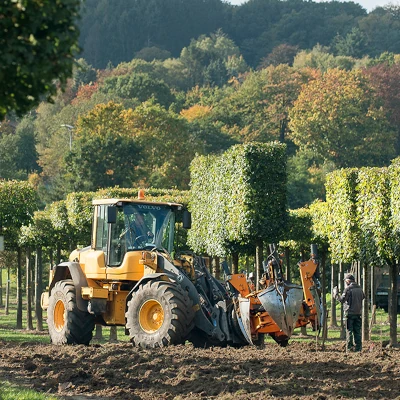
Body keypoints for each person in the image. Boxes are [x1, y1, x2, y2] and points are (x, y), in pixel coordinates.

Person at [333, 273, 365, 352]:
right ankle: (358, 348)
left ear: (348, 281)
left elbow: (342, 300)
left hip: (349, 313)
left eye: (345, 281)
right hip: (358, 313)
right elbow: (363, 297)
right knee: (357, 331)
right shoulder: (360, 289)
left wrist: (336, 294)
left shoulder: (348, 289)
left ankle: (349, 348)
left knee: (349, 330)